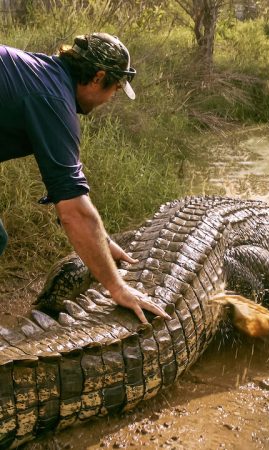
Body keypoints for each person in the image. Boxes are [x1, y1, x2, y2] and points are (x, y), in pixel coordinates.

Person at [0, 32, 171, 323]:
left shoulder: (44, 75)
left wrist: (101, 240)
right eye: (115, 89)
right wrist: (117, 287)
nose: (111, 98)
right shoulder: (52, 99)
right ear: (97, 77)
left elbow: (66, 187)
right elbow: (74, 211)